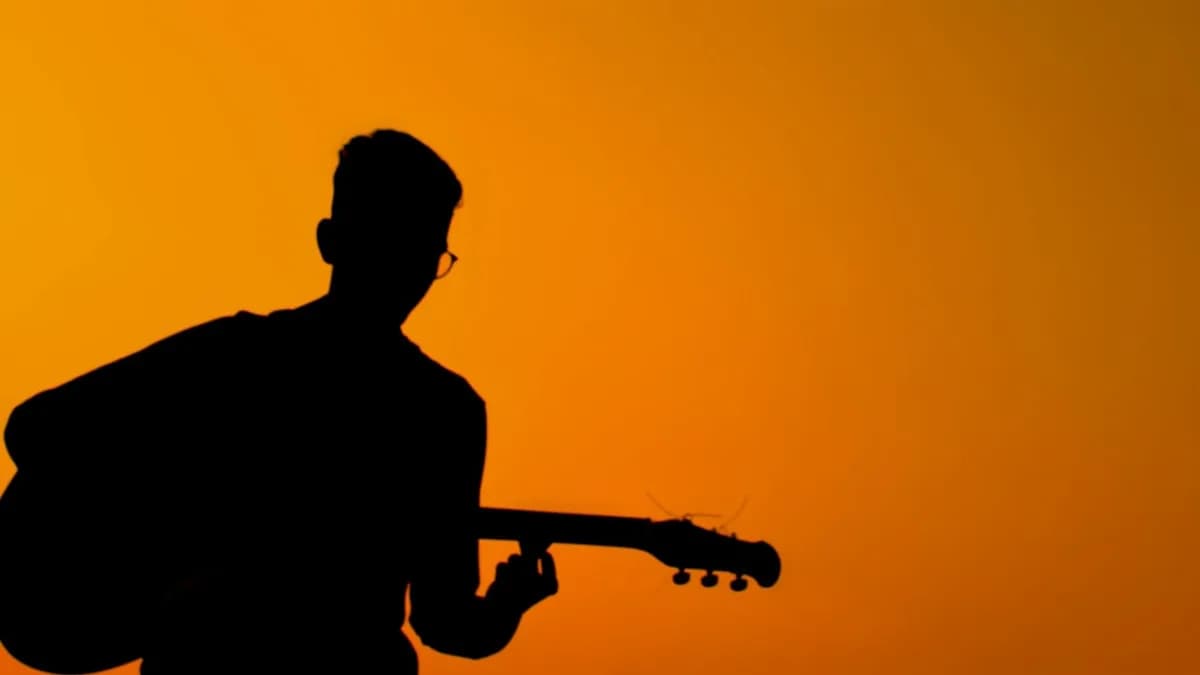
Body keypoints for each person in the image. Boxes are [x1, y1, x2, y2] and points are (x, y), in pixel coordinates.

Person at [0, 129, 557, 675]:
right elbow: (33, 428)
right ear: (332, 242)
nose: (407, 274)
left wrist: (505, 607)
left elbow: (445, 622)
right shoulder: (244, 356)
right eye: (391, 244)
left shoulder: (439, 411)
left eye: (422, 254)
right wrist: (181, 512)